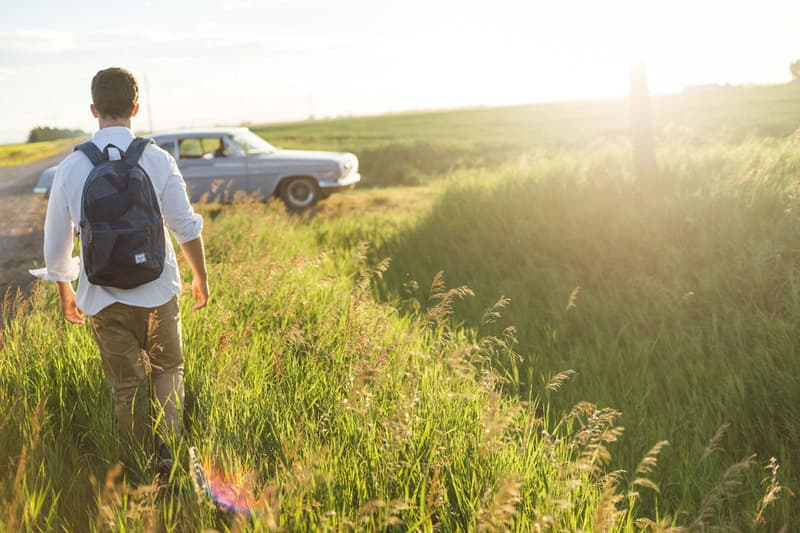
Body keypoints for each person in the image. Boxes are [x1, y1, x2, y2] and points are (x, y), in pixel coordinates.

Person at [34, 67, 209, 482]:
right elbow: (185, 226)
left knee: (126, 385)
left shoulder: (71, 167)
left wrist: (65, 290)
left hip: (102, 295)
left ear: (93, 109)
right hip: (158, 289)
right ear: (135, 107)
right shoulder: (157, 158)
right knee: (168, 370)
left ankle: (137, 469)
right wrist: (200, 276)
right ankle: (168, 457)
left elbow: (56, 240)